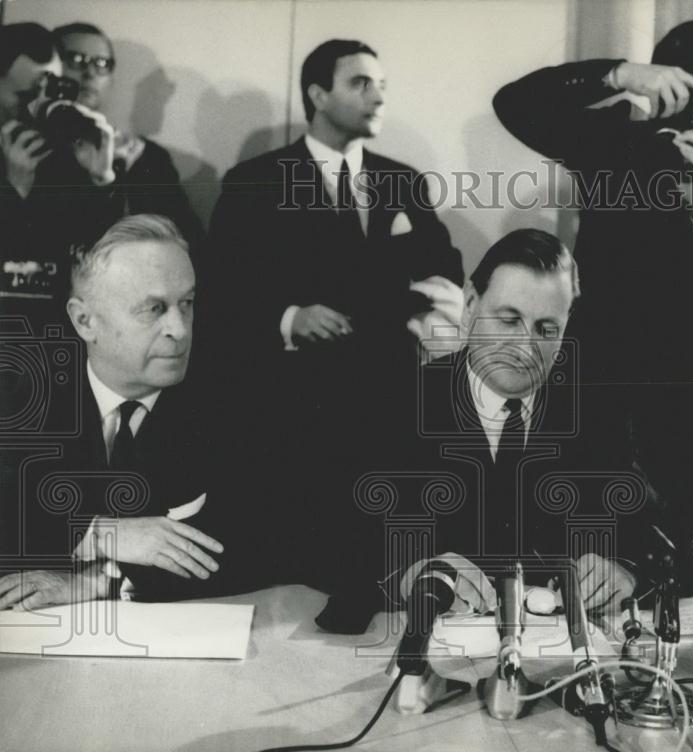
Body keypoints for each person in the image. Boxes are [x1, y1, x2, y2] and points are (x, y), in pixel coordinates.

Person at [493, 19, 693, 488]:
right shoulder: (614, 141)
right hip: (584, 397)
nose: (672, 116)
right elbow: (512, 104)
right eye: (668, 90)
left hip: (683, 414)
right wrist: (618, 74)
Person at [340, 229, 656, 630]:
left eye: (546, 329)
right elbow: (340, 541)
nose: (524, 347)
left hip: (558, 664)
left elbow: (652, 534)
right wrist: (409, 572)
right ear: (470, 305)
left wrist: (624, 572)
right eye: (509, 320)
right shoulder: (397, 405)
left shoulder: (597, 412)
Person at [206, 38, 464, 497]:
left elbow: (446, 269)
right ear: (317, 95)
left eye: (381, 85)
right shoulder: (256, 180)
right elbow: (222, 286)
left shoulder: (403, 181)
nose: (379, 97)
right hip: (292, 405)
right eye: (360, 83)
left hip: (389, 402)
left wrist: (417, 310)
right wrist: (289, 318)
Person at [0, 215, 252, 610]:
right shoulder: (20, 397)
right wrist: (102, 534)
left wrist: (104, 577)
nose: (180, 330)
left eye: (186, 304)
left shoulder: (234, 395)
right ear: (85, 321)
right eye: (154, 309)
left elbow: (263, 537)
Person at [0, 22, 116, 328]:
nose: (39, 105)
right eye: (25, 95)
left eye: (50, 89)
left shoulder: (65, 147)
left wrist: (101, 179)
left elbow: (97, 263)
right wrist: (13, 191)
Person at [53, 22, 204, 253]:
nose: (90, 73)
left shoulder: (145, 156)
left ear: (111, 79)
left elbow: (186, 243)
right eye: (76, 59)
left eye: (101, 64)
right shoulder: (21, 143)